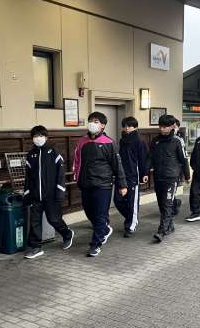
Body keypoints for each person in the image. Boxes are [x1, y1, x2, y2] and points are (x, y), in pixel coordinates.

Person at [73, 111, 127, 257]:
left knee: (100, 215)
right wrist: (77, 179)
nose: (92, 123)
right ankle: (105, 229)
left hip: (103, 185)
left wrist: (122, 185)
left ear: (102, 125)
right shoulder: (82, 142)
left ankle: (95, 244)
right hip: (86, 184)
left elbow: (117, 165)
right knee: (89, 211)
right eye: (91, 121)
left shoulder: (109, 143)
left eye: (96, 121)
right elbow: (77, 162)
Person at [24, 125, 74, 260]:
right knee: (34, 222)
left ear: (46, 137)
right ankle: (35, 247)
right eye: (35, 136)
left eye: (41, 135)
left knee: (54, 219)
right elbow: (28, 177)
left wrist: (60, 191)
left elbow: (61, 174)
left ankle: (67, 234)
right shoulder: (31, 155)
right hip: (35, 196)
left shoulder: (53, 152)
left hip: (51, 195)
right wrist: (27, 193)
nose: (38, 138)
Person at [145, 114, 190, 242]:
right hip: (158, 176)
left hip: (171, 178)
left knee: (167, 203)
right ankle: (169, 226)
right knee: (161, 204)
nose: (161, 129)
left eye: (164, 126)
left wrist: (187, 176)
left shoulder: (177, 141)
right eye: (160, 126)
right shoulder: (155, 141)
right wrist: (145, 173)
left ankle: (162, 231)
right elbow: (150, 157)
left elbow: (183, 159)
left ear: (171, 127)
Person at [114, 116, 148, 237]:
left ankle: (131, 225)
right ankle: (132, 217)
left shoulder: (139, 141)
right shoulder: (122, 140)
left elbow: (143, 159)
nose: (127, 128)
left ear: (135, 127)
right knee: (117, 200)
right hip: (121, 175)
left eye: (129, 126)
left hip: (133, 176)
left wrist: (144, 174)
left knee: (132, 202)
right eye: (125, 126)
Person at [172, 118, 188, 215]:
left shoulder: (179, 140)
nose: (173, 128)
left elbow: (183, 157)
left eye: (175, 127)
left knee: (172, 191)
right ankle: (175, 203)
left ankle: (173, 208)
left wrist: (186, 174)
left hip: (175, 170)